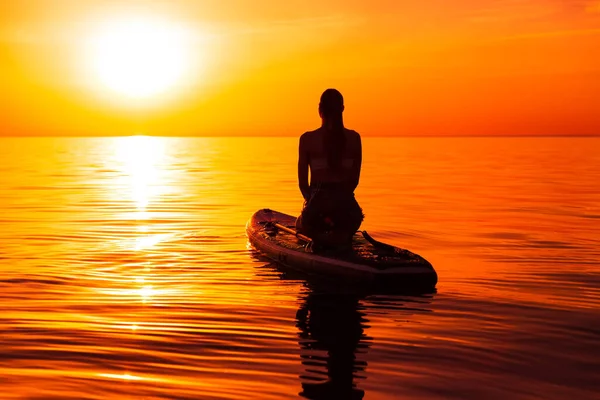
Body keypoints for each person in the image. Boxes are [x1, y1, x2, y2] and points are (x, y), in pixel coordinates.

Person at [296, 89, 364, 250]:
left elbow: (303, 184)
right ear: (342, 109)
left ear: (320, 109)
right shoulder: (354, 139)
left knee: (301, 224)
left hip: (317, 212)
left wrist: (312, 204)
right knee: (342, 224)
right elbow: (354, 181)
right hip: (348, 213)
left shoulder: (307, 139)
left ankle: (324, 238)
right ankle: (339, 236)